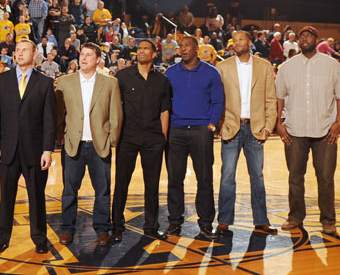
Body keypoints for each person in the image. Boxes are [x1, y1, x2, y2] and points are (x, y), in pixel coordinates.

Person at [275, 26, 340, 235]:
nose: (304, 38)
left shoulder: (331, 65)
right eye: (301, 36)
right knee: (295, 177)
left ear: (317, 40)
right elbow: (279, 97)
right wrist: (279, 124)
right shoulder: (286, 67)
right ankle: (295, 217)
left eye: (308, 35)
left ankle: (328, 220)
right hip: (295, 129)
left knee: (326, 178)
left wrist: (339, 122)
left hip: (325, 129)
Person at [0, 39, 55, 255]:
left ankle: (39, 238)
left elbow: (49, 119)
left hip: (34, 151)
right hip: (7, 149)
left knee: (37, 196)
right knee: (5, 197)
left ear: (35, 54)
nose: (20, 53)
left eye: (25, 50)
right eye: (17, 50)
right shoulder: (1, 80)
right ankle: (1, 238)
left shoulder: (45, 83)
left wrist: (48, 150)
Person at [56, 42, 122, 246]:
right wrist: (61, 137)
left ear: (98, 60)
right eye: (81, 54)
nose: (83, 58)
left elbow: (115, 116)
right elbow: (59, 113)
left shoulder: (110, 83)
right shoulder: (64, 82)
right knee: (69, 190)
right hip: (73, 144)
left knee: (102, 190)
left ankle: (102, 229)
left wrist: (111, 140)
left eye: (89, 55)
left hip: (98, 144)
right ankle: (67, 228)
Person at [214, 31, 278, 238]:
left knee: (257, 177)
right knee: (227, 177)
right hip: (231, 128)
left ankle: (261, 221)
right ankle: (224, 221)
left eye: (241, 39)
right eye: (234, 40)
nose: (237, 42)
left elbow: (270, 99)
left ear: (250, 42)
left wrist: (268, 127)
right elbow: (217, 99)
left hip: (256, 129)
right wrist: (220, 124)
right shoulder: (222, 67)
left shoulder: (264, 66)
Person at [164, 36, 224, 239]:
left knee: (205, 179)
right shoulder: (171, 73)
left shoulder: (211, 72)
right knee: (175, 179)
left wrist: (211, 125)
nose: (183, 49)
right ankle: (174, 221)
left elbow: (218, 101)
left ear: (197, 49)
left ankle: (206, 223)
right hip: (176, 130)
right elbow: (164, 102)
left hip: (201, 130)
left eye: (187, 45)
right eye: (181, 46)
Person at [111, 40, 170, 242]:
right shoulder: (123, 76)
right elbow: (115, 107)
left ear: (154, 53)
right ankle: (117, 226)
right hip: (128, 137)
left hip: (153, 139)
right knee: (121, 183)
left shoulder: (162, 80)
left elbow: (164, 111)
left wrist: (163, 137)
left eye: (146, 48)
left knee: (152, 184)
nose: (142, 51)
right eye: (140, 48)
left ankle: (151, 226)